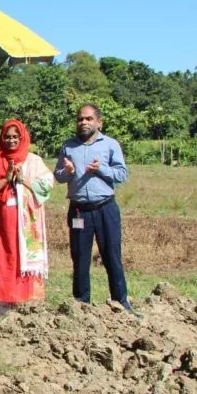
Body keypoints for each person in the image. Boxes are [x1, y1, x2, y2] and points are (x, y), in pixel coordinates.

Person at [54, 104, 134, 311]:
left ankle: (121, 301)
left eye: (89, 119)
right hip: (79, 210)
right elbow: (58, 175)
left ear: (99, 122)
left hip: (105, 208)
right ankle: (81, 304)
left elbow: (122, 174)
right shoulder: (68, 146)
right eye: (80, 119)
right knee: (80, 257)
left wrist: (101, 170)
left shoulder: (110, 144)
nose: (84, 123)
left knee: (112, 256)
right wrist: (68, 172)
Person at [0, 120, 54, 319]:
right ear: (1, 139)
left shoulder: (33, 161)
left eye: (15, 137)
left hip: (25, 226)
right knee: (2, 262)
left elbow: (47, 185)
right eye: (7, 137)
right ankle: (1, 309)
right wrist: (6, 178)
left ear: (22, 138)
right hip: (0, 226)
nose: (11, 141)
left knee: (22, 261)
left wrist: (23, 180)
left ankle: (26, 307)